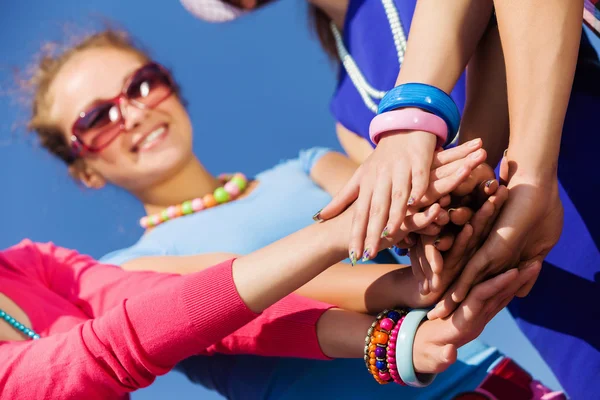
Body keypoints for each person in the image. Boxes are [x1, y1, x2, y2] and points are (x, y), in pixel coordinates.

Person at [21, 28, 562, 399]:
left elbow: (402, 205)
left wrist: (444, 214)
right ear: (84, 171)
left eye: (141, 84)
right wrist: (403, 283)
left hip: (486, 379)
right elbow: (250, 295)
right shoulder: (124, 273)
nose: (134, 112)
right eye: (97, 118)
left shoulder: (307, 166)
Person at [184, 0, 600, 396]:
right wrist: (432, 226)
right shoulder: (346, 116)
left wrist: (491, 157)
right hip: (524, 272)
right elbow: (417, 214)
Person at [0, 194, 549, 399]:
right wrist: (338, 233)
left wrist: (395, 333)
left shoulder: (31, 263)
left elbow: (183, 308)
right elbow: (119, 345)